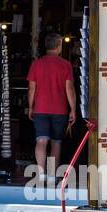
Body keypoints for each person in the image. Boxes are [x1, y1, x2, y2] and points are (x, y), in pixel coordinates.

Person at [26, 32, 76, 183]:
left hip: (40, 108)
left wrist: (30, 107)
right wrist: (73, 109)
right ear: (58, 45)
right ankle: (52, 175)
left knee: (41, 141)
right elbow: (70, 89)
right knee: (56, 142)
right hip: (60, 110)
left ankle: (41, 174)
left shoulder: (37, 64)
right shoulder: (65, 65)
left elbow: (31, 88)